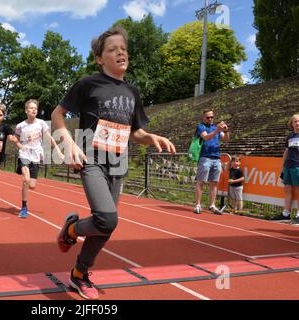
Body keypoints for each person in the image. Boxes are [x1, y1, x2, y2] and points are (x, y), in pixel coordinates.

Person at [51, 26, 175, 300]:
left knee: (106, 225)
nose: (120, 52)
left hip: (118, 161)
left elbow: (136, 132)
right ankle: (71, 229)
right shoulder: (88, 84)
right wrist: (68, 143)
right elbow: (57, 114)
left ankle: (80, 274)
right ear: (99, 58)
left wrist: (151, 136)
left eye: (123, 48)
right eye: (112, 49)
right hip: (91, 158)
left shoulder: (133, 92)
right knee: (107, 219)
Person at [15, 99, 64, 218]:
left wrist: (57, 150)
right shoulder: (20, 126)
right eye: (31, 108)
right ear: (26, 110)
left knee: (32, 185)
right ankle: (24, 207)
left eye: (35, 108)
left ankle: (21, 170)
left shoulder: (41, 123)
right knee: (26, 180)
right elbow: (16, 139)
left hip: (36, 156)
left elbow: (49, 138)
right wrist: (19, 145)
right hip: (25, 154)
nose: (33, 110)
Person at [193, 109, 230, 215]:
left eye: (212, 117)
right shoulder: (201, 127)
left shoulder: (215, 128)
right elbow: (206, 137)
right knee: (201, 181)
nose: (210, 119)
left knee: (214, 182)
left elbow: (226, 139)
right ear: (203, 118)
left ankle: (212, 205)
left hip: (216, 158)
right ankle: (197, 205)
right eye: (208, 117)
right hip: (205, 157)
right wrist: (217, 131)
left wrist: (226, 130)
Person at [281, 114, 299, 223]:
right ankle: (286, 213)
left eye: (298, 121)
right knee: (287, 188)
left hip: (298, 166)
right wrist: (282, 167)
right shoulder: (290, 136)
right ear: (291, 124)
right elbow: (286, 151)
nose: (297, 123)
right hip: (288, 166)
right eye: (295, 121)